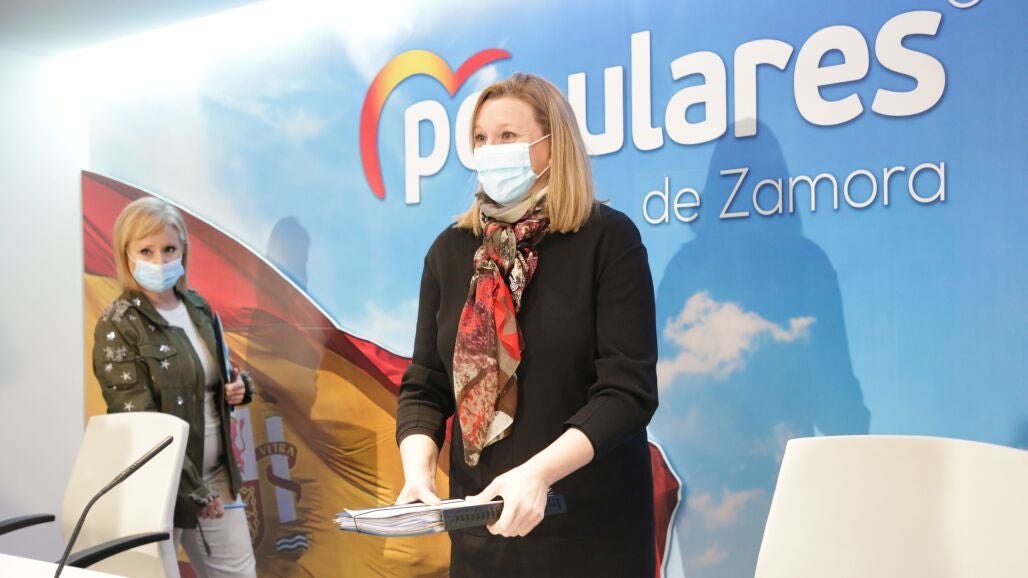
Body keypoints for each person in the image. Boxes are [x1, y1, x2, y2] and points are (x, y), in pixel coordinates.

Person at [395, 73, 659, 577]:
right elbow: (426, 385)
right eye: (481, 138)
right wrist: (418, 474)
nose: (490, 150)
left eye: (508, 136)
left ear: (553, 145)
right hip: (484, 534)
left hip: (589, 534)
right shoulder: (450, 251)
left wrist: (538, 474)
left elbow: (627, 392)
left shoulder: (608, 240)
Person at [91, 197, 258, 578]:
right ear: (126, 254)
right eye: (146, 251)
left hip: (217, 474)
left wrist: (239, 386)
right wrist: (194, 490)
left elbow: (215, 374)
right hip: (160, 484)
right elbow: (141, 422)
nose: (160, 260)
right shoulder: (119, 323)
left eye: (169, 249)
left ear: (183, 249)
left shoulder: (196, 306)